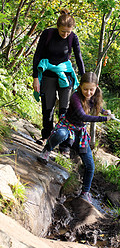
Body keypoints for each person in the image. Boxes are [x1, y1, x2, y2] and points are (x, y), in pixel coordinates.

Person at [37, 72, 114, 203]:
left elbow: (98, 108)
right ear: (80, 86)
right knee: (61, 134)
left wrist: (105, 112)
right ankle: (47, 150)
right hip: (67, 127)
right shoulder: (75, 97)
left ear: (96, 87)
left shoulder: (94, 98)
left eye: (91, 89)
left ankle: (85, 192)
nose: (88, 92)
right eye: (85, 89)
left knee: (90, 165)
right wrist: (104, 118)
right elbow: (82, 116)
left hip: (80, 132)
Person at [33, 9, 85, 153]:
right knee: (47, 108)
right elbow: (37, 55)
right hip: (48, 73)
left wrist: (84, 79)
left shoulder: (72, 38)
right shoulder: (48, 34)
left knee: (65, 110)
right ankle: (46, 137)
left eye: (68, 32)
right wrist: (35, 77)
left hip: (65, 75)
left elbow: (79, 58)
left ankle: (65, 144)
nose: (65, 34)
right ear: (57, 27)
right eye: (63, 32)